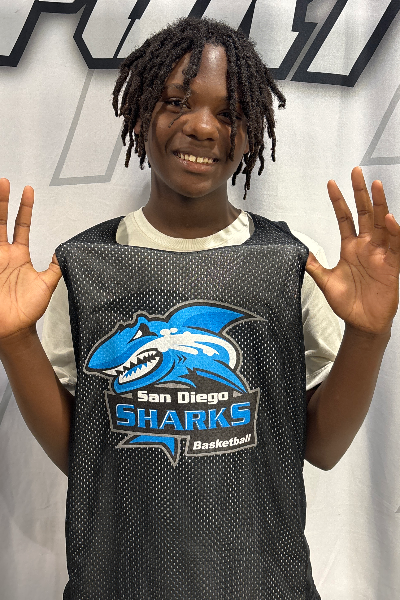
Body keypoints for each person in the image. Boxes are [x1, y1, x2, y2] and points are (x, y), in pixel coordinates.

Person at [0, 16, 398, 600]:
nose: (203, 127)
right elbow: (82, 451)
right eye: (177, 102)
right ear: (140, 114)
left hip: (261, 581)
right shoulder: (82, 265)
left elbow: (323, 448)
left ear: (251, 133)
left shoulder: (290, 262)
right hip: (121, 579)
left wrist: (369, 335)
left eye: (229, 112)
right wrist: (15, 340)